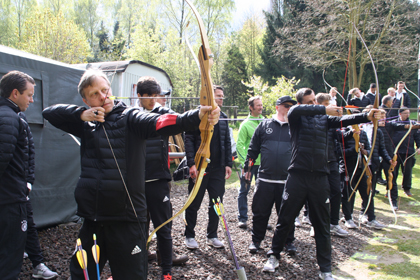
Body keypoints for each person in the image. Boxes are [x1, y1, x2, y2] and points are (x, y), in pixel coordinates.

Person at [42, 69, 220, 280]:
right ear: (85, 99)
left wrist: (198, 116)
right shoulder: (86, 123)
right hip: (93, 218)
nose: (102, 97)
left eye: (104, 90)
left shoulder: (130, 117)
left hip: (126, 219)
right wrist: (81, 114)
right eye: (94, 94)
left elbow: (161, 122)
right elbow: (49, 112)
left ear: (111, 89)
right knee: (81, 275)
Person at [262, 88, 381, 280]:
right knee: (285, 219)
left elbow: (346, 120)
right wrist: (324, 110)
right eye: (309, 102)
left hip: (320, 178)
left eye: (314, 101)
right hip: (297, 177)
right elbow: (298, 111)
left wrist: (367, 115)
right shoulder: (295, 115)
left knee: (323, 225)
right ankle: (274, 256)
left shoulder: (324, 119)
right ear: (301, 103)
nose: (313, 105)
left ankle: (325, 269)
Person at [135, 76, 188, 279]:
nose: (153, 100)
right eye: (148, 96)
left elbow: (179, 120)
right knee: (138, 229)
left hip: (158, 180)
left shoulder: (162, 112)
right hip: (136, 182)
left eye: (156, 96)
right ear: (139, 95)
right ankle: (138, 268)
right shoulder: (131, 115)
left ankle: (166, 271)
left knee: (163, 227)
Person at [246, 96, 298, 255]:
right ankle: (256, 241)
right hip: (265, 179)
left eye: (292, 106)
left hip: (287, 180)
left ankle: (288, 242)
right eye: (286, 106)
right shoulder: (264, 125)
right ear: (277, 107)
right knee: (260, 212)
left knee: (287, 214)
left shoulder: (296, 127)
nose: (290, 108)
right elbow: (253, 150)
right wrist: (247, 169)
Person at [184, 85, 232, 250]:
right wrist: (191, 163)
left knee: (217, 202)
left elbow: (226, 142)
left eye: (222, 96)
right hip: (200, 167)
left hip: (218, 168)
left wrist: (228, 164)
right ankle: (189, 235)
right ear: (209, 97)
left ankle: (212, 235)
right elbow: (189, 140)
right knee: (194, 202)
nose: (221, 99)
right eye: (218, 96)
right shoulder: (196, 116)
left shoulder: (223, 117)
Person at [0, 70, 35, 280]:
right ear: (15, 94)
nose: (32, 100)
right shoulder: (9, 119)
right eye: (29, 95)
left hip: (9, 197)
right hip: (9, 202)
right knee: (10, 255)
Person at [18, 111, 59, 280]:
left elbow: (29, 152)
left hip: (19, 189)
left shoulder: (20, 117)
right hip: (9, 190)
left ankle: (37, 264)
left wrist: (28, 181)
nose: (32, 100)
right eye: (28, 95)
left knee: (28, 223)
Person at [315, 93, 348, 237]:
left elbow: (339, 136)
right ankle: (315, 224)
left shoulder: (331, 120)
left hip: (332, 160)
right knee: (316, 194)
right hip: (317, 162)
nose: (330, 105)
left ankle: (334, 223)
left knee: (336, 191)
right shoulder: (313, 117)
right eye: (327, 103)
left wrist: (352, 130)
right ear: (320, 104)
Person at [236, 96, 264, 229]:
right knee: (244, 190)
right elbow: (239, 145)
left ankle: (261, 219)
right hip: (250, 164)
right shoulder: (245, 124)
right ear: (251, 107)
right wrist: (244, 164)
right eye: (258, 105)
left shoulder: (265, 122)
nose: (261, 107)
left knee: (263, 192)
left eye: (261, 105)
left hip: (264, 164)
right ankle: (242, 218)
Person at [390, 108, 420, 199]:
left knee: (407, 171)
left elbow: (417, 137)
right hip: (395, 152)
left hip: (408, 151)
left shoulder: (413, 124)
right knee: (393, 172)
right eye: (405, 113)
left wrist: (419, 147)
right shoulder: (393, 123)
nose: (407, 115)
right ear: (400, 113)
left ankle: (406, 188)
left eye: (408, 113)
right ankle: (391, 188)